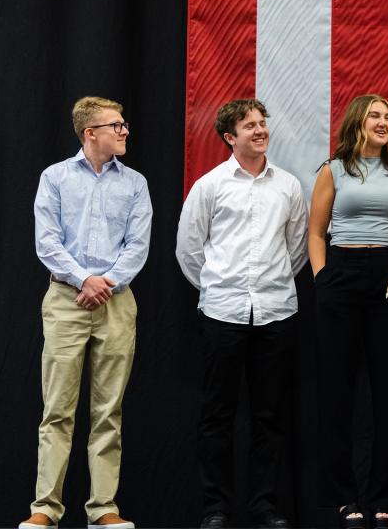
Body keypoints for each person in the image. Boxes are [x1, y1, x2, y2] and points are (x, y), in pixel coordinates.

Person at [176, 99, 308, 529]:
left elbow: (297, 250)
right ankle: (215, 508)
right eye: (248, 125)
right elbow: (190, 251)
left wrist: (269, 285)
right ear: (229, 137)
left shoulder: (287, 186)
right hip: (222, 313)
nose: (259, 129)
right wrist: (220, 287)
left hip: (275, 313)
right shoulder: (209, 186)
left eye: (262, 122)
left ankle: (264, 507)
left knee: (269, 416)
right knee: (217, 415)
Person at [21, 96, 152, 529]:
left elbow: (137, 245)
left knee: (108, 410)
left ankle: (103, 508)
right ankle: (45, 507)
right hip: (65, 301)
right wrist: (84, 280)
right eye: (116, 125)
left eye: (124, 124)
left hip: (117, 301)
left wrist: (105, 282)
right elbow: (48, 242)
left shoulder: (134, 183)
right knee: (57, 408)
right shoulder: (55, 177)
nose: (125, 131)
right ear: (89, 133)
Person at [308, 94, 388, 529]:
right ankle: (343, 497)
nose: (384, 121)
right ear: (358, 121)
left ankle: (386, 498)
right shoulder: (332, 169)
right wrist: (322, 280)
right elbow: (316, 232)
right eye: (375, 115)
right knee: (336, 392)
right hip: (341, 275)